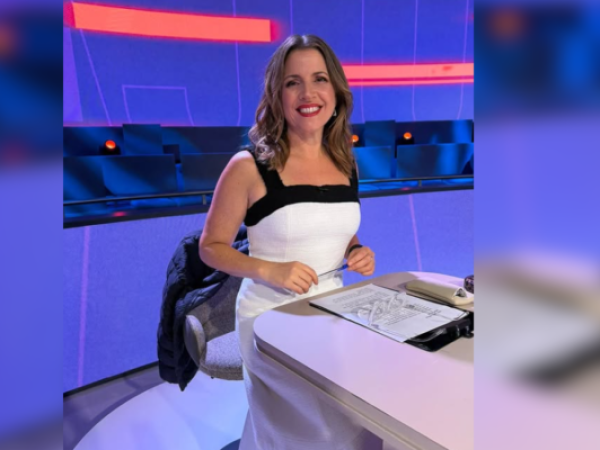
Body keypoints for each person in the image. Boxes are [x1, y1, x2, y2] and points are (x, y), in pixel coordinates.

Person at [199, 34, 380, 450]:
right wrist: (269, 269)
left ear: (336, 91)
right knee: (314, 429)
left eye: (319, 79)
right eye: (292, 82)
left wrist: (355, 249)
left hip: (333, 307)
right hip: (269, 316)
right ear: (276, 95)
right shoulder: (248, 166)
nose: (307, 93)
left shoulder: (345, 162)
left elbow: (334, 226)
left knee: (350, 416)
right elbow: (210, 247)